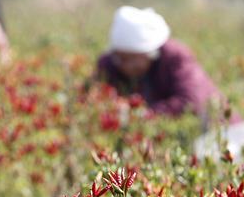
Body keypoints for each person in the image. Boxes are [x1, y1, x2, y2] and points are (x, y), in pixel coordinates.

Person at [96, 6, 227, 119]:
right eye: (120, 58)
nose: (125, 65)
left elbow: (190, 102)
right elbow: (95, 100)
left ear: (149, 53)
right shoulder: (109, 64)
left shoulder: (175, 57)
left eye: (131, 58)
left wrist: (140, 115)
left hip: (217, 131)